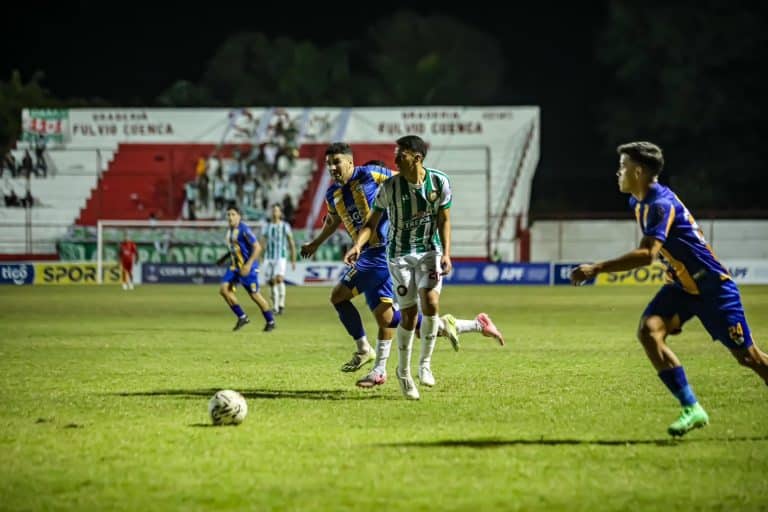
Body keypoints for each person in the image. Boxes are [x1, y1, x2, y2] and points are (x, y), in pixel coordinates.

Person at [570, 141, 768, 437]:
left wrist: (597, 268)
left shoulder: (660, 205)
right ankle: (692, 409)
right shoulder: (637, 202)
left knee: (749, 358)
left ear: (638, 171)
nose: (618, 173)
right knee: (649, 333)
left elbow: (648, 254)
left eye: (623, 167)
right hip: (682, 286)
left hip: (713, 288)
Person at [303, 143, 503, 396]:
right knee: (391, 318)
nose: (332, 168)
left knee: (338, 296)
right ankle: (468, 325)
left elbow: (404, 181)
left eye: (337, 162)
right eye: (329, 164)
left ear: (351, 162)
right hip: (367, 253)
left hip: (382, 252)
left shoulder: (372, 174)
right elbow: (332, 221)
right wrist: (315, 243)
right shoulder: (332, 194)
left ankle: (366, 351)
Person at [219, 205, 276, 332]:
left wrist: (248, 265)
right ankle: (242, 317)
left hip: (247, 267)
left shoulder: (244, 229)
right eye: (228, 214)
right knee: (224, 290)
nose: (230, 217)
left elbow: (257, 247)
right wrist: (223, 258)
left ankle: (270, 321)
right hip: (234, 267)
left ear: (239, 216)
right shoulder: (230, 231)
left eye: (233, 214)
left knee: (255, 295)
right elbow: (235, 248)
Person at [261, 203, 296, 314]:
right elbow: (262, 243)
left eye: (276, 210)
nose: (274, 212)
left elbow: (291, 243)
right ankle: (275, 307)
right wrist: (259, 257)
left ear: (280, 213)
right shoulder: (267, 226)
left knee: (279, 279)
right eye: (273, 210)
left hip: (281, 256)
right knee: (271, 282)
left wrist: (293, 259)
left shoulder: (285, 226)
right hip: (268, 257)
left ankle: (281, 304)